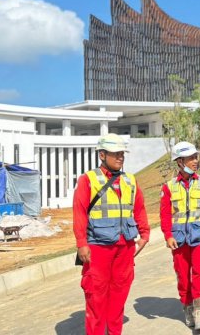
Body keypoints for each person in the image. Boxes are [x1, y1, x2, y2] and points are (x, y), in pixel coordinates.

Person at [73, 133, 150, 335]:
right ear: (102, 155)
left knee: (119, 295)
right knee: (96, 297)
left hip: (125, 247)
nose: (120, 157)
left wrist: (144, 234)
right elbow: (79, 212)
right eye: (115, 154)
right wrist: (82, 243)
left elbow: (139, 208)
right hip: (98, 247)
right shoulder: (88, 180)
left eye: (122, 153)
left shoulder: (130, 180)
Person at [160, 141, 200, 331]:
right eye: (191, 158)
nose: (195, 161)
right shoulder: (168, 187)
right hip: (179, 240)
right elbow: (165, 214)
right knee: (183, 277)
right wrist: (168, 235)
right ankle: (188, 307)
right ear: (179, 161)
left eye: (195, 157)